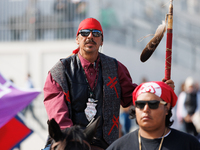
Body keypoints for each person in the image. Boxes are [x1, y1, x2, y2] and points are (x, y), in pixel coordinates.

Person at [43, 18, 175, 150]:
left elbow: (134, 96)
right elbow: (58, 115)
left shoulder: (115, 68)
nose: (90, 36)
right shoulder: (59, 72)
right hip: (67, 142)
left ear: (102, 41)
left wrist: (160, 90)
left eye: (96, 33)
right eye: (84, 33)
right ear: (77, 39)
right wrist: (76, 141)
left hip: (107, 145)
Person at [106, 81, 200, 150]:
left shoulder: (189, 145)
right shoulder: (118, 147)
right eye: (140, 104)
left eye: (153, 104)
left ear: (166, 108)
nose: (146, 109)